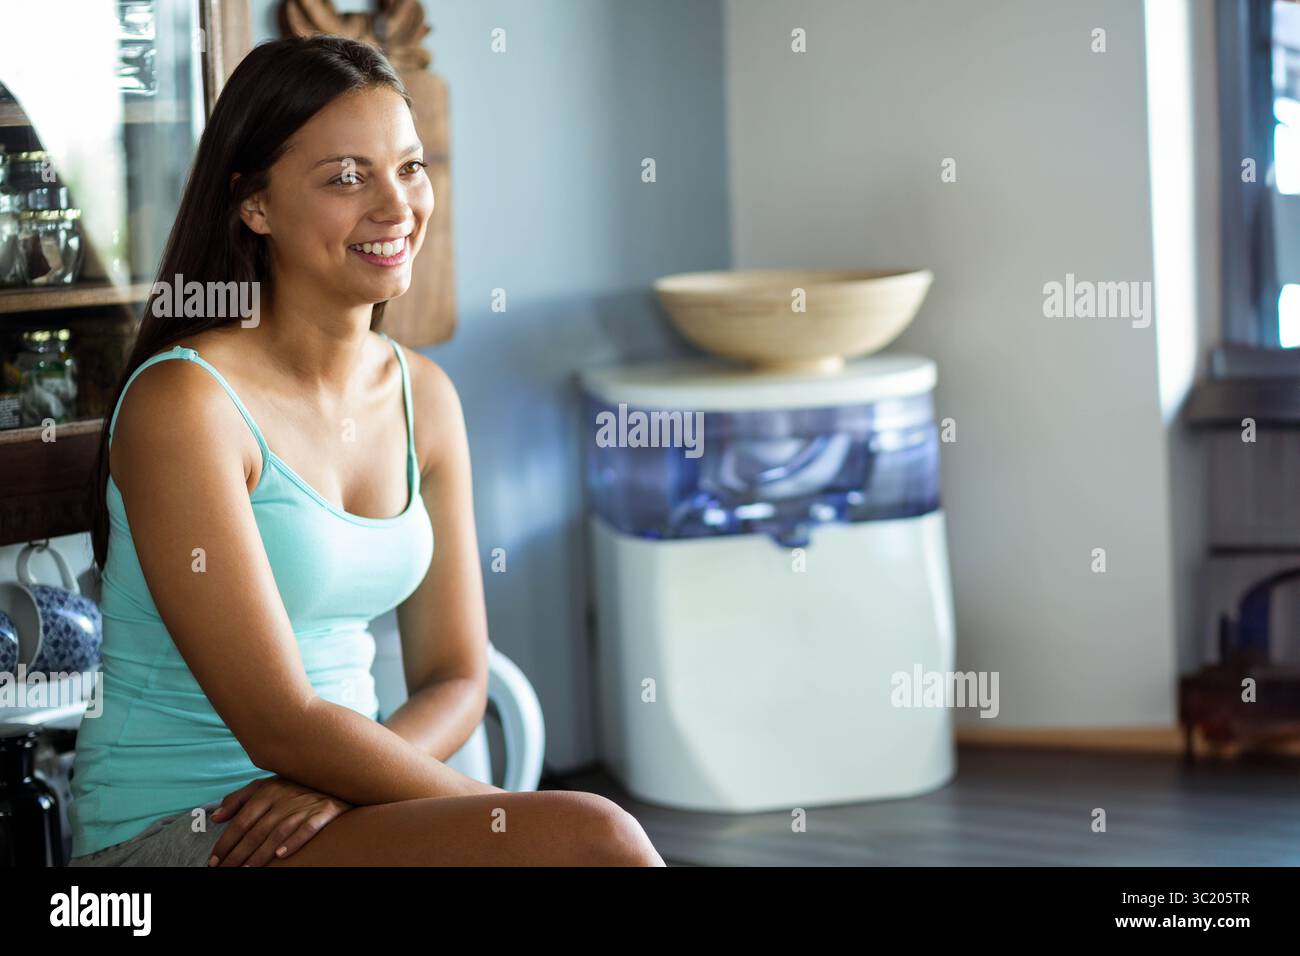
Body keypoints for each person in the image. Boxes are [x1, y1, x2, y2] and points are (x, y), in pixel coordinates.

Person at [68, 34, 663, 867]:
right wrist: (510, 816)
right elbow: (279, 723)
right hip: (189, 832)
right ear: (254, 205)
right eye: (347, 178)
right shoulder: (187, 405)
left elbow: (458, 676)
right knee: (595, 838)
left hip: (345, 806)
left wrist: (346, 777)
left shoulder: (426, 397)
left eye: (410, 167)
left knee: (586, 838)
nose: (397, 206)